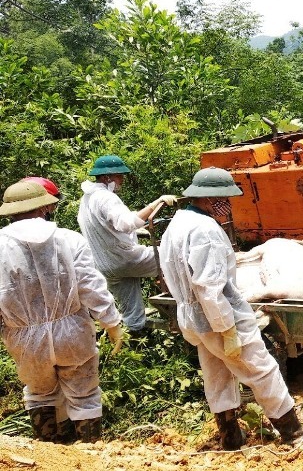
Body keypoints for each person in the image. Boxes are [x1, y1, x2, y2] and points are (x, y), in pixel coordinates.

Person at [159, 167, 303, 450]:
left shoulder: (177, 224)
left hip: (195, 319)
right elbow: (208, 286)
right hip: (219, 317)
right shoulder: (206, 230)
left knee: (217, 374)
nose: (229, 206)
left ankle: (230, 436)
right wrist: (227, 327)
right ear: (209, 200)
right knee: (262, 369)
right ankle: (293, 432)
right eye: (225, 200)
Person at [0, 180, 123, 443]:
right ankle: (89, 454)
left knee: (39, 393)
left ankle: (49, 455)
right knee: (84, 394)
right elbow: (91, 287)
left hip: (23, 337)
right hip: (72, 332)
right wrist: (111, 322)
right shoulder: (68, 239)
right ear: (44, 207)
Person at [77, 155, 176, 335]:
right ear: (108, 178)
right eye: (119, 176)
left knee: (132, 311)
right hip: (125, 259)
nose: (122, 180)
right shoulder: (106, 197)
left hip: (105, 265)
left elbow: (108, 226)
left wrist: (136, 231)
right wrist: (156, 204)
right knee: (174, 255)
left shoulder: (86, 200)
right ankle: (184, 308)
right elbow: (126, 223)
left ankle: (135, 343)